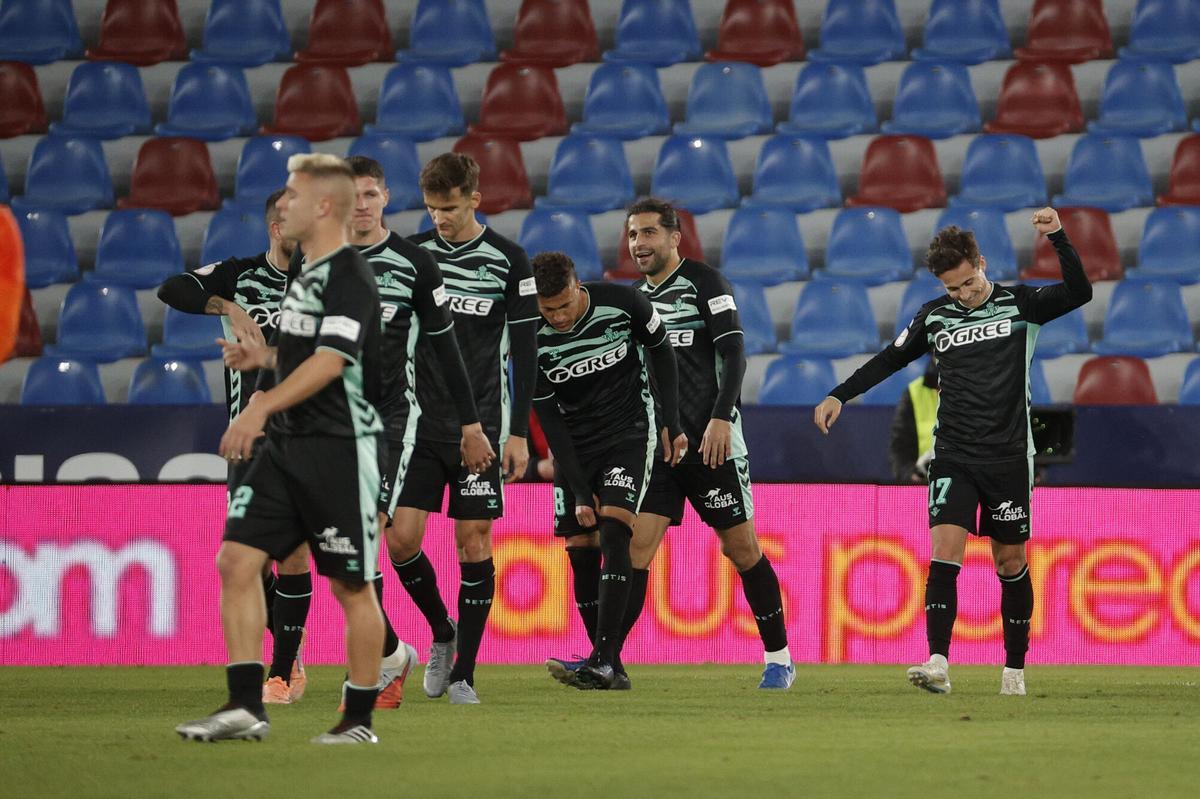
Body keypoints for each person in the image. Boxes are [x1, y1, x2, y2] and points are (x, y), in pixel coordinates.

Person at [813, 208, 1091, 697]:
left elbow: (1079, 292)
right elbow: (890, 358)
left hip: (1008, 456)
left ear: (981, 262)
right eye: (951, 289)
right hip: (954, 453)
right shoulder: (935, 316)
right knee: (945, 552)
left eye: (967, 283)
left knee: (1009, 561)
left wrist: (1058, 238)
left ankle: (1014, 672)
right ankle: (938, 661)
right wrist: (840, 393)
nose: (962, 296)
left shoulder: (1020, 303)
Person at [176, 154, 387, 744]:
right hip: (285, 446)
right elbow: (301, 353)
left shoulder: (348, 274)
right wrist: (262, 359)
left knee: (351, 587)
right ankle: (245, 705)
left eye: (291, 197)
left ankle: (358, 721)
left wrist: (261, 404)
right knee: (236, 561)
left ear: (322, 207)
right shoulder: (307, 274)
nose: (280, 208)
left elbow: (332, 360)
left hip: (337, 448)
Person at [547, 198, 793, 690]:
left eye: (649, 234)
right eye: (632, 235)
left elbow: (735, 353)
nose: (639, 243)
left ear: (674, 237)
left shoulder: (706, 284)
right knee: (635, 551)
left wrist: (722, 418)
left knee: (741, 549)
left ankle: (780, 659)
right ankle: (607, 661)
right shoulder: (632, 300)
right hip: (658, 449)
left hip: (710, 444)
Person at [385, 153, 538, 704]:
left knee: (473, 544)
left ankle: (464, 674)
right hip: (418, 426)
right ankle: (442, 633)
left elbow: (526, 351)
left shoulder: (509, 261)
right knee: (400, 540)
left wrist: (517, 433)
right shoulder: (411, 255)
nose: (439, 218)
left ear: (475, 199)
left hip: (486, 428)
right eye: (431, 208)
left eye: (448, 208)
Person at [343, 155, 495, 708]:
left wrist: (475, 423)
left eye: (369, 194)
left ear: (384, 196)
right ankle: (427, 636)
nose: (360, 205)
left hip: (397, 420)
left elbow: (447, 349)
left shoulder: (413, 264)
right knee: (384, 545)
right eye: (350, 195)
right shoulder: (316, 260)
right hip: (331, 423)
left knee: (375, 537)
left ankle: (393, 668)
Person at [157, 190, 312, 706]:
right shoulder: (239, 274)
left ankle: (283, 672)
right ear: (275, 226)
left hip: (309, 434)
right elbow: (172, 288)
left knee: (292, 554)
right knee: (245, 558)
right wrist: (228, 304)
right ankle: (291, 645)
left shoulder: (328, 280)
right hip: (249, 437)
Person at [531, 250, 687, 690]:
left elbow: (662, 353)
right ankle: (608, 664)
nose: (558, 317)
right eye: (549, 310)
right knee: (581, 548)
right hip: (575, 447)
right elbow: (550, 419)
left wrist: (670, 421)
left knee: (615, 531)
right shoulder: (528, 333)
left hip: (628, 434)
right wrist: (579, 490)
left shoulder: (623, 305)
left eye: (564, 305)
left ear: (578, 287)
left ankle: (601, 658)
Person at [890, 358, 939, 483]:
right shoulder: (913, 393)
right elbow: (899, 451)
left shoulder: (977, 391)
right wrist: (912, 474)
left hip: (968, 482)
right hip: (925, 486)